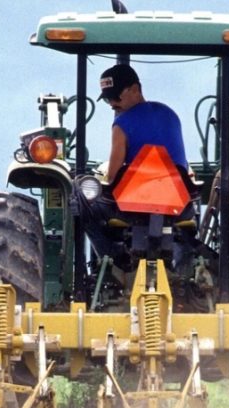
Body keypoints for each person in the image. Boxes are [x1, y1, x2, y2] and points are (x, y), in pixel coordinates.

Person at [74, 64, 192, 269]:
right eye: (108, 98)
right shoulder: (171, 115)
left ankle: (111, 259)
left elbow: (111, 177)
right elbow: (180, 162)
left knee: (80, 198)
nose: (112, 104)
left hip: (132, 209)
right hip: (177, 206)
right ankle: (185, 259)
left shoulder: (121, 124)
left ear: (135, 89)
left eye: (116, 97)